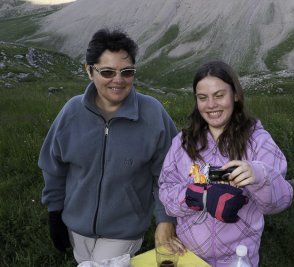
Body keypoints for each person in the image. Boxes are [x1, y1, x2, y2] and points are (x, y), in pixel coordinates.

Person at [38, 28, 184, 263]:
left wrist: (166, 220)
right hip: (75, 227)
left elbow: (169, 174)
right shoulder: (71, 112)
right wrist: (54, 212)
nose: (118, 80)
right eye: (107, 72)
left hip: (124, 231)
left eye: (127, 72)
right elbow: (52, 165)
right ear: (89, 71)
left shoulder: (154, 114)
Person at [158, 60, 293, 267]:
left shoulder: (258, 141)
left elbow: (281, 200)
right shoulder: (182, 143)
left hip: (237, 260)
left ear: (236, 95)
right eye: (203, 98)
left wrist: (258, 176)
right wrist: (196, 197)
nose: (211, 105)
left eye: (219, 95)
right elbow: (166, 191)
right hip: (188, 257)